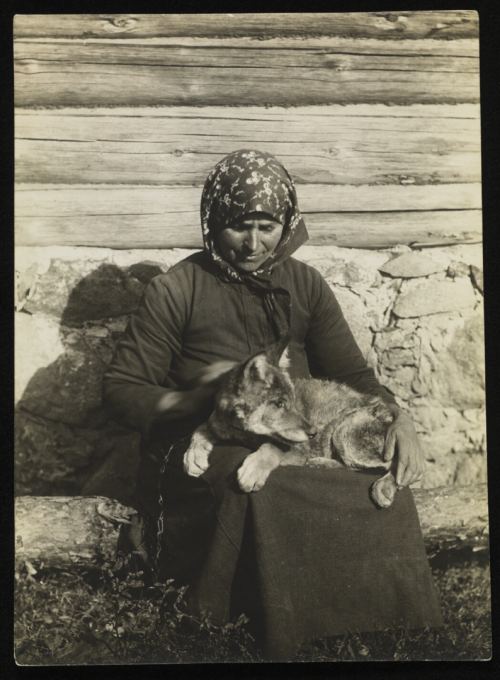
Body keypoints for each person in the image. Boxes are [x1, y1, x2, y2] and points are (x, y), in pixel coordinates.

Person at [103, 149, 443, 660]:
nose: (254, 243)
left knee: (363, 477)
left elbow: (352, 374)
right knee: (260, 482)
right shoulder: (176, 289)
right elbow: (122, 390)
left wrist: (403, 420)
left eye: (268, 226)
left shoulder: (304, 284)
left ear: (287, 224)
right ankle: (245, 619)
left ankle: (376, 616)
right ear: (213, 222)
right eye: (240, 227)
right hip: (199, 441)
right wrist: (207, 403)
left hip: (290, 429)